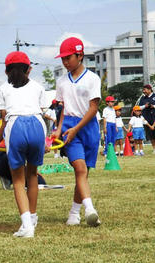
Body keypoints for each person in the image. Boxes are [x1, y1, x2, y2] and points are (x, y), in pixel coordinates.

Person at [0, 51, 46, 238]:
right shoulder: (38, 87)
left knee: (18, 179)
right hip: (38, 124)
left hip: (15, 126)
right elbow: (43, 113)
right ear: (29, 69)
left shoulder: (2, 90)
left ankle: (27, 225)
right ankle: (33, 217)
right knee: (33, 175)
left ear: (6, 71)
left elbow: (4, 122)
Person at [52, 37, 101, 227]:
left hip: (87, 126)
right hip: (69, 127)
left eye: (68, 58)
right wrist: (59, 129)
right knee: (79, 168)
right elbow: (63, 109)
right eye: (62, 59)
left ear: (79, 55)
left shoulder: (92, 79)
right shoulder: (61, 81)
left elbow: (93, 108)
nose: (65, 62)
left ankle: (74, 213)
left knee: (83, 173)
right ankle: (90, 210)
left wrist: (77, 128)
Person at [139, 84, 155, 154]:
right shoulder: (143, 98)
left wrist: (153, 106)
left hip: (154, 117)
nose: (144, 91)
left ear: (149, 89)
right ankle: (154, 148)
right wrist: (145, 106)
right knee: (151, 135)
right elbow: (139, 108)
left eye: (145, 89)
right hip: (147, 119)